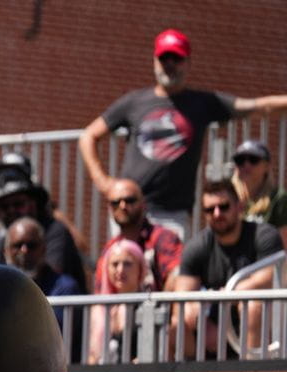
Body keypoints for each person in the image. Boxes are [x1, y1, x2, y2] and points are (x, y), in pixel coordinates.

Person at [79, 28, 287, 236]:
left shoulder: (203, 103)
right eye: (164, 58)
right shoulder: (134, 101)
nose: (170, 64)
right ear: (155, 61)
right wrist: (104, 183)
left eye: (176, 58)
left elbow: (258, 107)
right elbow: (88, 136)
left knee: (174, 260)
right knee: (124, 258)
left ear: (188, 62)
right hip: (129, 209)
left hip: (172, 215)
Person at [172, 180, 284, 357]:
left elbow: (268, 279)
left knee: (253, 306)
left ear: (239, 206)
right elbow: (181, 297)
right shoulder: (196, 246)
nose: (217, 214)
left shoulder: (264, 235)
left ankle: (252, 371)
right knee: (178, 320)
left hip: (260, 329)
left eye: (224, 206)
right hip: (211, 334)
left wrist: (224, 295)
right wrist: (202, 321)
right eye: (210, 209)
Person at [0, 153, 88, 290]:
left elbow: (43, 282)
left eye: (18, 204)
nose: (11, 211)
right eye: (4, 207)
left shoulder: (56, 233)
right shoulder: (1, 242)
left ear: (34, 204)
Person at [94, 178, 182, 293]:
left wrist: (162, 302)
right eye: (115, 203)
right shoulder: (110, 248)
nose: (122, 206)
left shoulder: (162, 237)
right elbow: (100, 291)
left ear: (143, 204)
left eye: (129, 200)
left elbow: (177, 276)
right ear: (109, 208)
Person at [4, 217, 83, 329]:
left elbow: (53, 331)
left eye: (31, 245)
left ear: (44, 249)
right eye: (17, 245)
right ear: (6, 251)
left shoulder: (65, 288)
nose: (24, 250)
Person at [89, 240, 150, 364]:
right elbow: (91, 357)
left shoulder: (149, 305)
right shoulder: (98, 309)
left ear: (140, 268)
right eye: (115, 264)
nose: (120, 270)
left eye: (127, 264)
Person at [230, 139, 287, 245]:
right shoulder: (228, 198)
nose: (246, 165)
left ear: (267, 166)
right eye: (240, 160)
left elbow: (284, 245)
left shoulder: (278, 198)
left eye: (253, 160)